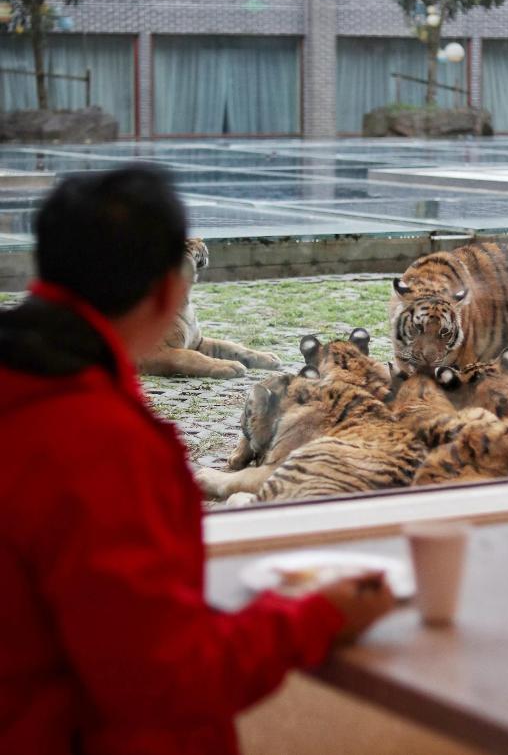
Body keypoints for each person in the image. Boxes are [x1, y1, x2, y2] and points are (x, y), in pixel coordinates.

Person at [0, 166, 395, 755]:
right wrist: (318, 618)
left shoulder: (37, 380)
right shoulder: (102, 444)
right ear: (167, 290)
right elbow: (165, 679)